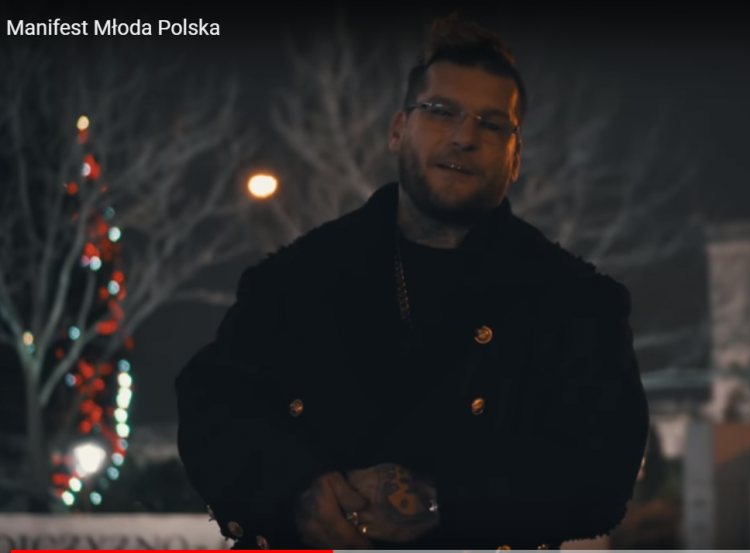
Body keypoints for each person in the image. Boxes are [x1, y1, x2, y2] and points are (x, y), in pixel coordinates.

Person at [175, 13, 650, 551]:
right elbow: (214, 406)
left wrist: (445, 499)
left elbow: (603, 471)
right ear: (398, 130)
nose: (464, 137)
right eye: (441, 111)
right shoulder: (295, 280)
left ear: (515, 158)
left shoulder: (576, 304)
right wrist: (297, 492)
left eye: (493, 125)